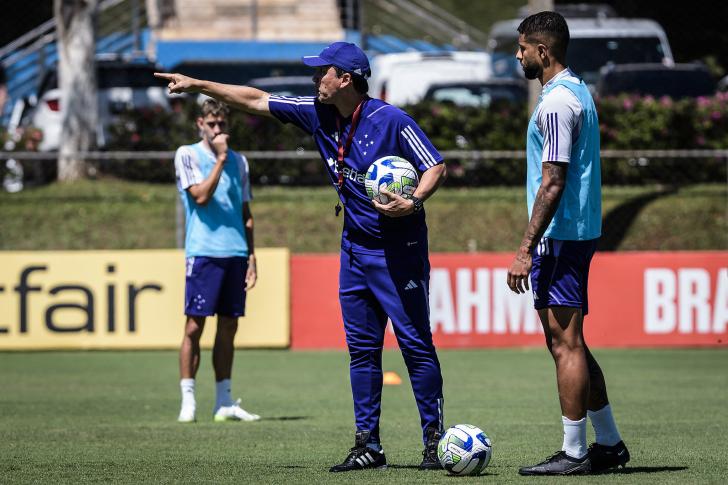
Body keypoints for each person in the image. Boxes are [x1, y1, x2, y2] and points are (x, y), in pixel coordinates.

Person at [156, 41, 448, 472]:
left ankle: (434, 443)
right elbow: (255, 99)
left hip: (398, 252)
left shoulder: (393, 121)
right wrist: (199, 83)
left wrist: (415, 201)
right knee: (362, 352)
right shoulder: (317, 111)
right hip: (354, 251)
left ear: (345, 79)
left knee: (415, 346)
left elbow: (434, 166)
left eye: (322, 72)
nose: (315, 79)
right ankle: (368, 445)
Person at [506, 11, 629, 475]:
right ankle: (610, 443)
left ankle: (575, 452)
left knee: (565, 345)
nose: (518, 55)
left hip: (562, 237)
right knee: (570, 341)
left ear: (543, 51)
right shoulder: (577, 90)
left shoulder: (558, 103)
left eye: (522, 48)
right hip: (572, 234)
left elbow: (553, 181)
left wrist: (525, 248)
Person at [174, 98, 260, 424]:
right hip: (203, 251)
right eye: (211, 124)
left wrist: (252, 255)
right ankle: (188, 399)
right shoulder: (187, 154)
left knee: (228, 327)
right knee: (195, 326)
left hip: (235, 253)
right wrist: (221, 159)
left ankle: (223, 401)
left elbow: (246, 212)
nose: (217, 129)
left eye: (222, 124)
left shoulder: (240, 162)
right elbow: (200, 196)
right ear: (200, 124)